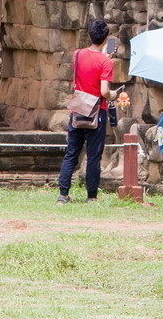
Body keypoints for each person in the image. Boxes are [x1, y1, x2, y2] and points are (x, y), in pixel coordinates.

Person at [57, 18, 117, 204]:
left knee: (72, 152)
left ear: (89, 36)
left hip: (78, 107)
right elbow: (104, 91)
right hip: (97, 110)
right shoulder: (106, 63)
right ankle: (91, 196)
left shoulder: (76, 54)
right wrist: (113, 95)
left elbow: (85, 69)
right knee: (93, 155)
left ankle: (63, 194)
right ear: (106, 38)